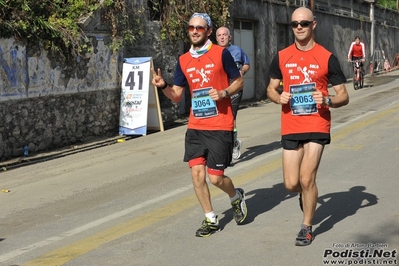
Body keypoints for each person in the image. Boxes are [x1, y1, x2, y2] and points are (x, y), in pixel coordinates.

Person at [151, 13, 248, 237]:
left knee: (215, 177)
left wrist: (224, 93)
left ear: (209, 31)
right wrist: (163, 85)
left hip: (220, 124)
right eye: (191, 27)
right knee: (197, 174)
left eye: (200, 28)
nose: (194, 31)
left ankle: (236, 196)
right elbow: (176, 95)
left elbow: (239, 81)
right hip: (196, 125)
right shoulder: (183, 60)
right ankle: (210, 218)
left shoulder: (221, 54)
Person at [266, 7, 349, 246]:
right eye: (294, 24)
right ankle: (306, 196)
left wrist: (328, 100)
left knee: (307, 177)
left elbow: (343, 95)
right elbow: (270, 89)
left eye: (303, 23)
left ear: (314, 24)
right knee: (292, 183)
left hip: (317, 124)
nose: (299, 27)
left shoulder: (326, 57)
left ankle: (307, 227)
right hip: (291, 124)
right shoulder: (281, 57)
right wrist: (277, 96)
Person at [216, 26, 250, 160]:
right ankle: (234, 142)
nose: (222, 37)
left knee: (231, 119)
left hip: (234, 89)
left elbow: (246, 64)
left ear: (229, 37)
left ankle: (230, 148)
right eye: (219, 35)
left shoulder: (237, 50)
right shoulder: (213, 52)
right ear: (216, 38)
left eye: (225, 35)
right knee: (220, 120)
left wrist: (242, 71)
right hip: (219, 91)